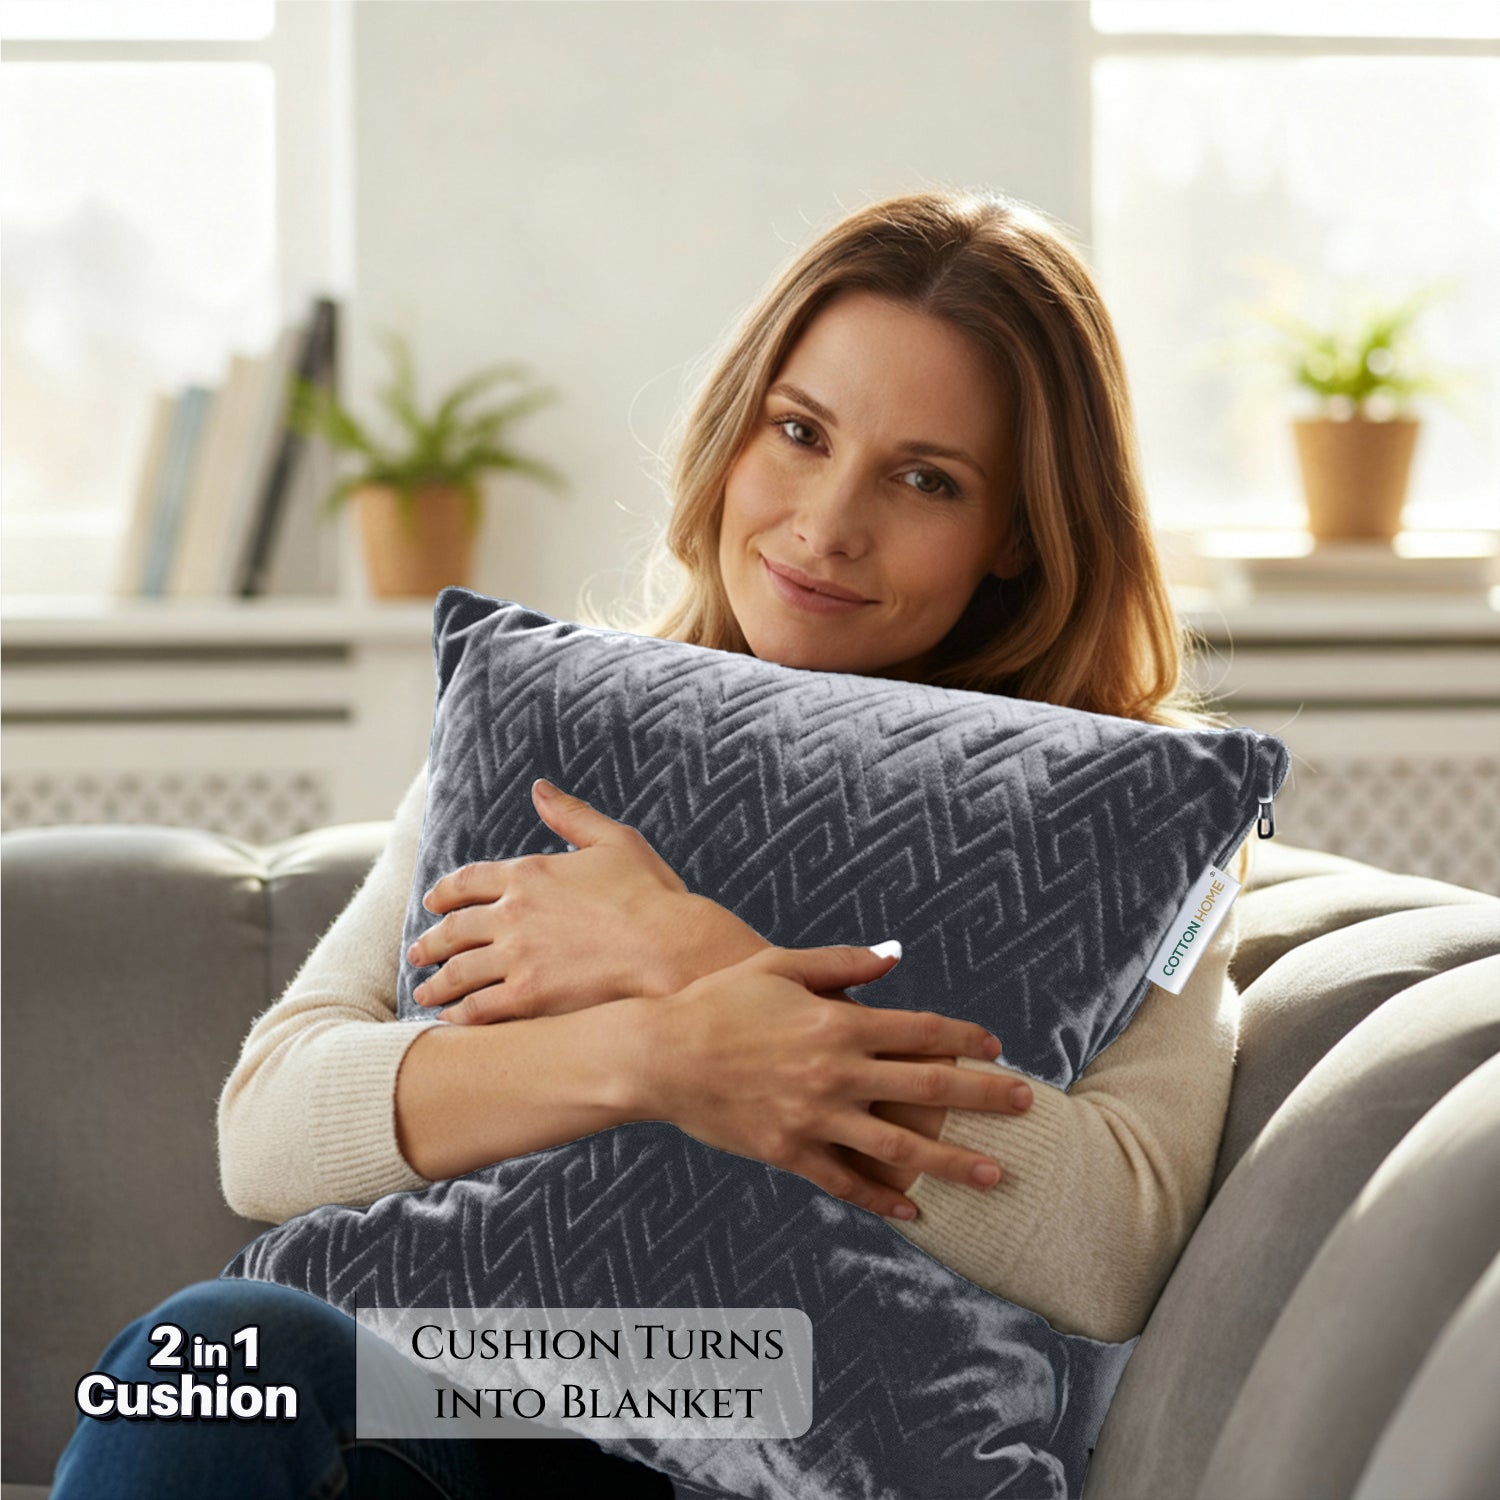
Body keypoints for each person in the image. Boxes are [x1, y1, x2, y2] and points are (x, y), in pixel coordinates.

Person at [53, 188, 1244, 1499]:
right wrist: (651, 1054)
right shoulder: (553, 725)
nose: (828, 521)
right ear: (736, 430)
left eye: (925, 478)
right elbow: (270, 1127)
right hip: (500, 1404)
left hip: (795, 1412)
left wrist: (692, 956)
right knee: (215, 1358)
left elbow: (1116, 1241)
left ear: (1019, 527)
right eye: (800, 433)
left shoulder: (1123, 816)